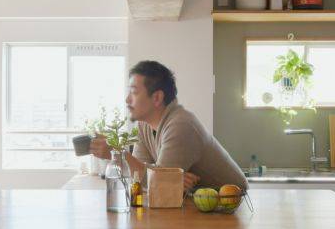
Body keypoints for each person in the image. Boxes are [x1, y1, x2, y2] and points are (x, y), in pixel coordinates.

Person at [91, 60, 247, 192]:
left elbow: (157, 184)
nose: (127, 100)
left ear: (157, 97)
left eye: (134, 92)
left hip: (229, 204)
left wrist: (117, 154)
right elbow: (140, 177)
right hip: (197, 204)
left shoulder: (181, 125)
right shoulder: (144, 125)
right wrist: (168, 178)